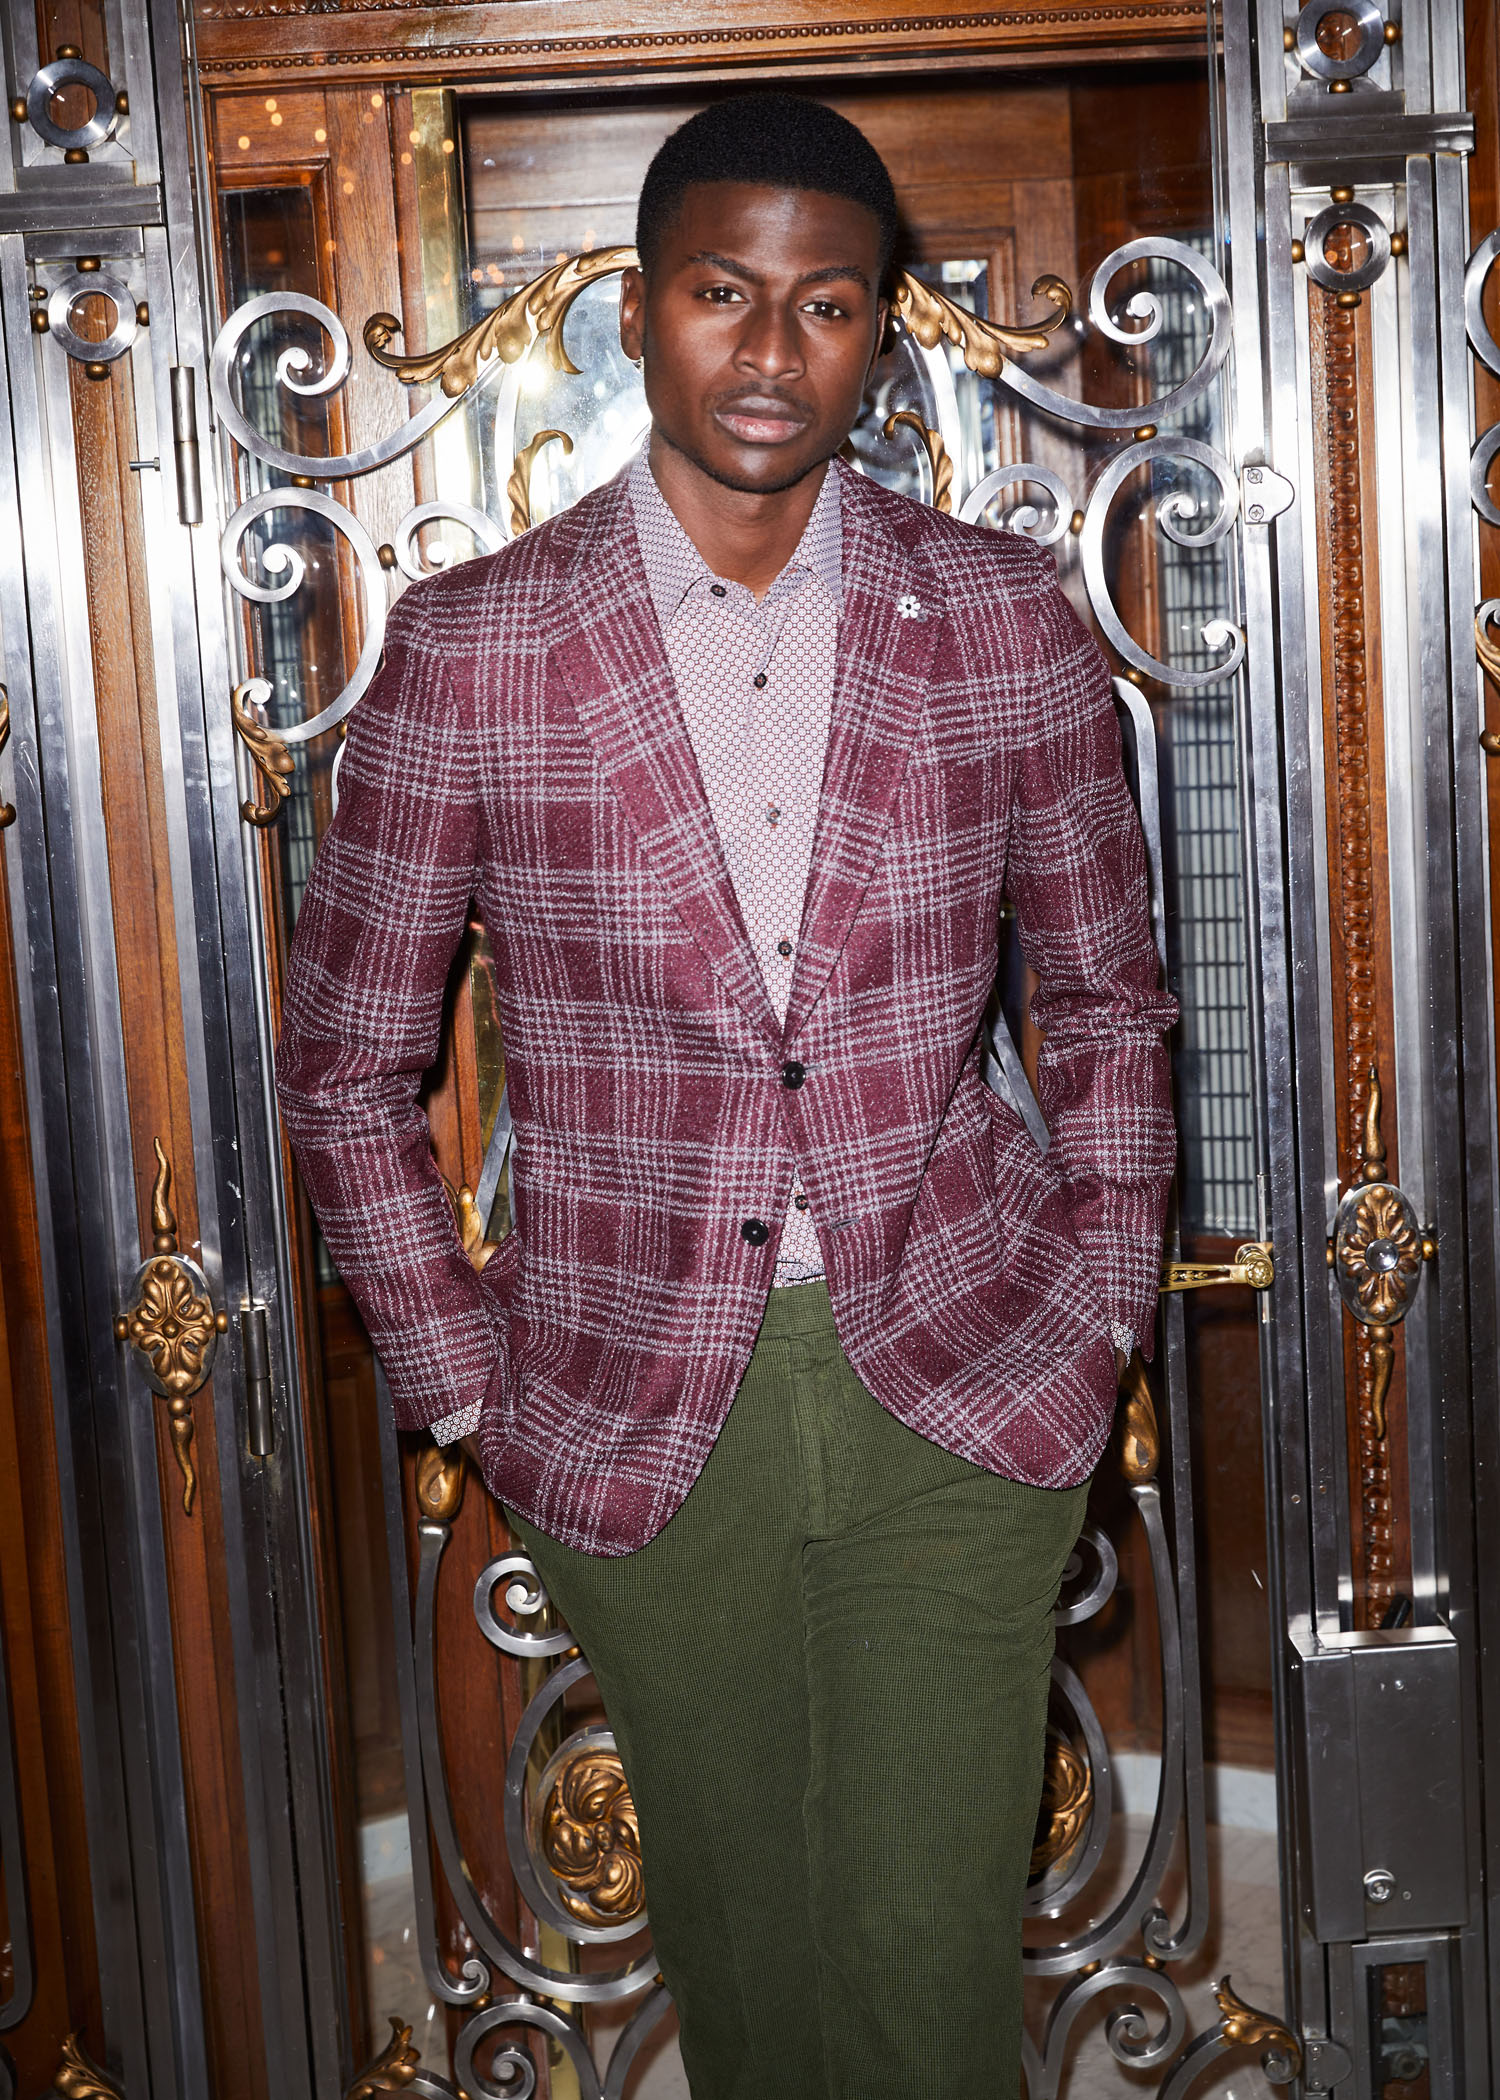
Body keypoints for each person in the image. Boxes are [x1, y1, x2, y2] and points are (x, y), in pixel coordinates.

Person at [276, 91, 1177, 2100]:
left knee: (927, 1966)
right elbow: (343, 1067)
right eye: (721, 293)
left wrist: (1094, 1313)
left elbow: (1113, 1006)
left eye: (826, 305)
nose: (772, 349)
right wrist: (468, 1390)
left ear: (879, 337)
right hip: (631, 1403)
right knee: (752, 1972)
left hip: (963, 1377)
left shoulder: (1001, 624)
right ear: (637, 316)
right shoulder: (477, 650)